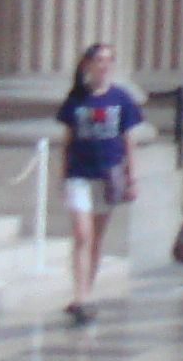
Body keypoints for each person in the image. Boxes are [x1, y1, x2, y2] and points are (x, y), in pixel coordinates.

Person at [55, 41, 141, 326]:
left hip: (108, 174)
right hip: (79, 173)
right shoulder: (76, 99)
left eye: (108, 60)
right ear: (88, 65)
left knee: (96, 238)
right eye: (98, 60)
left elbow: (129, 140)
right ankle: (79, 296)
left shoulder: (121, 98)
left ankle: (87, 292)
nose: (104, 65)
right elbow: (67, 140)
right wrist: (62, 174)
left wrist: (132, 176)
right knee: (82, 235)